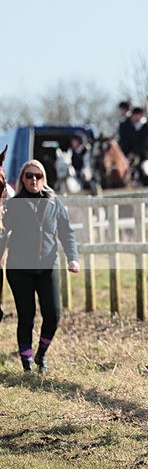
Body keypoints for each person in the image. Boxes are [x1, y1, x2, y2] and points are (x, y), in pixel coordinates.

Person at [0, 160, 80, 374]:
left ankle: (41, 354)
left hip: (48, 266)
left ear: (44, 178)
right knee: (26, 316)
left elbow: (67, 232)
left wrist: (73, 258)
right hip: (20, 270)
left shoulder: (54, 203)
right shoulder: (13, 205)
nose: (33, 180)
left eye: (38, 176)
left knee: (53, 315)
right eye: (29, 176)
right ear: (22, 179)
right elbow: (2, 234)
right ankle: (26, 362)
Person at [127, 106, 148, 186]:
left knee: (145, 169)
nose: (132, 118)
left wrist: (134, 153)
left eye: (133, 115)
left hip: (147, 156)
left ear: (139, 115)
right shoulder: (133, 128)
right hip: (136, 157)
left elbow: (145, 144)